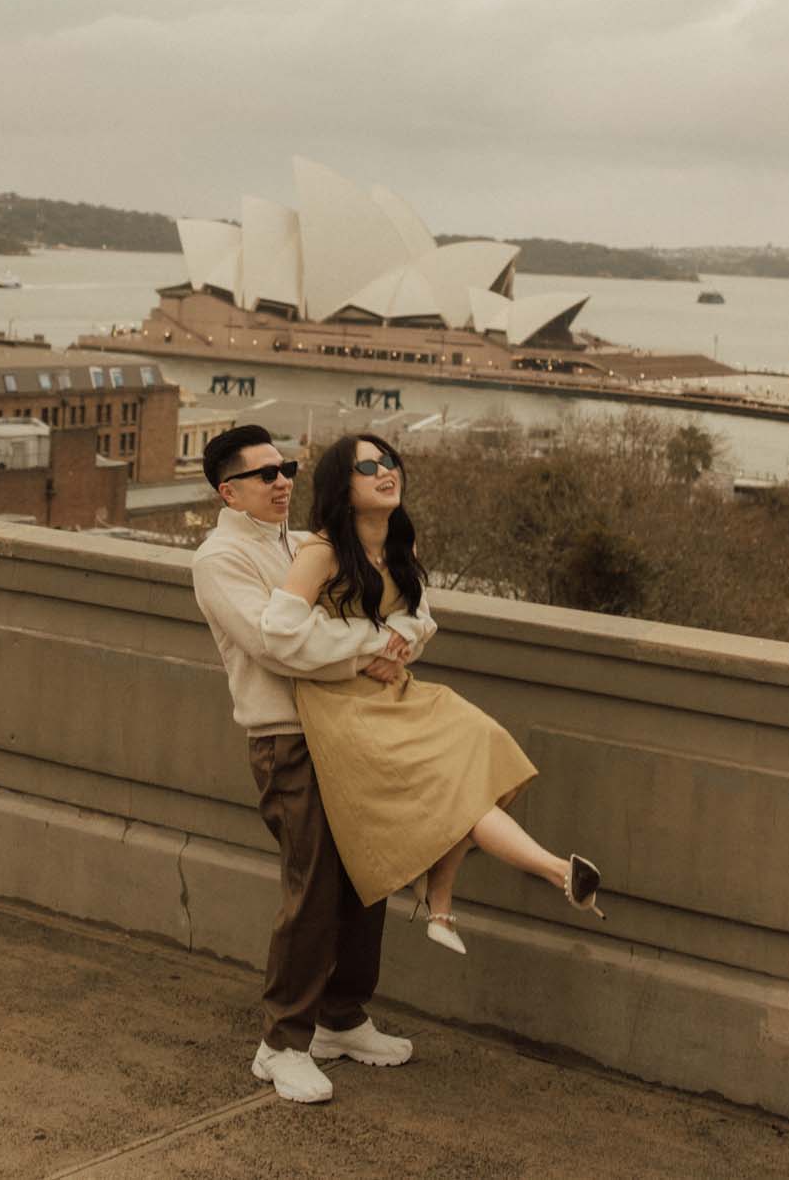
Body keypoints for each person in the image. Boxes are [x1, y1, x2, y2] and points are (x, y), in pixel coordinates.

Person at [271, 434, 604, 955]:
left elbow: (420, 619)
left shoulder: (401, 544)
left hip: (395, 691)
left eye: (388, 461)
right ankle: (555, 871)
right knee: (456, 793)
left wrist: (401, 640)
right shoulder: (322, 552)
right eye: (367, 467)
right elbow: (280, 634)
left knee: (483, 743)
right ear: (341, 486)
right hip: (342, 705)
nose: (386, 471)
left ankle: (440, 897)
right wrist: (371, 644)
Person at [190, 425, 415, 1107]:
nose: (283, 480)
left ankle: (340, 1017)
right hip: (286, 737)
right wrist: (373, 647)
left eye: (286, 467)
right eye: (264, 474)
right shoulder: (219, 558)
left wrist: (386, 636)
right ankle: (282, 1043)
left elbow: (385, 604)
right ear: (228, 491)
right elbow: (277, 645)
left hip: (347, 728)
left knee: (367, 878)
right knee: (312, 887)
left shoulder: (304, 543)